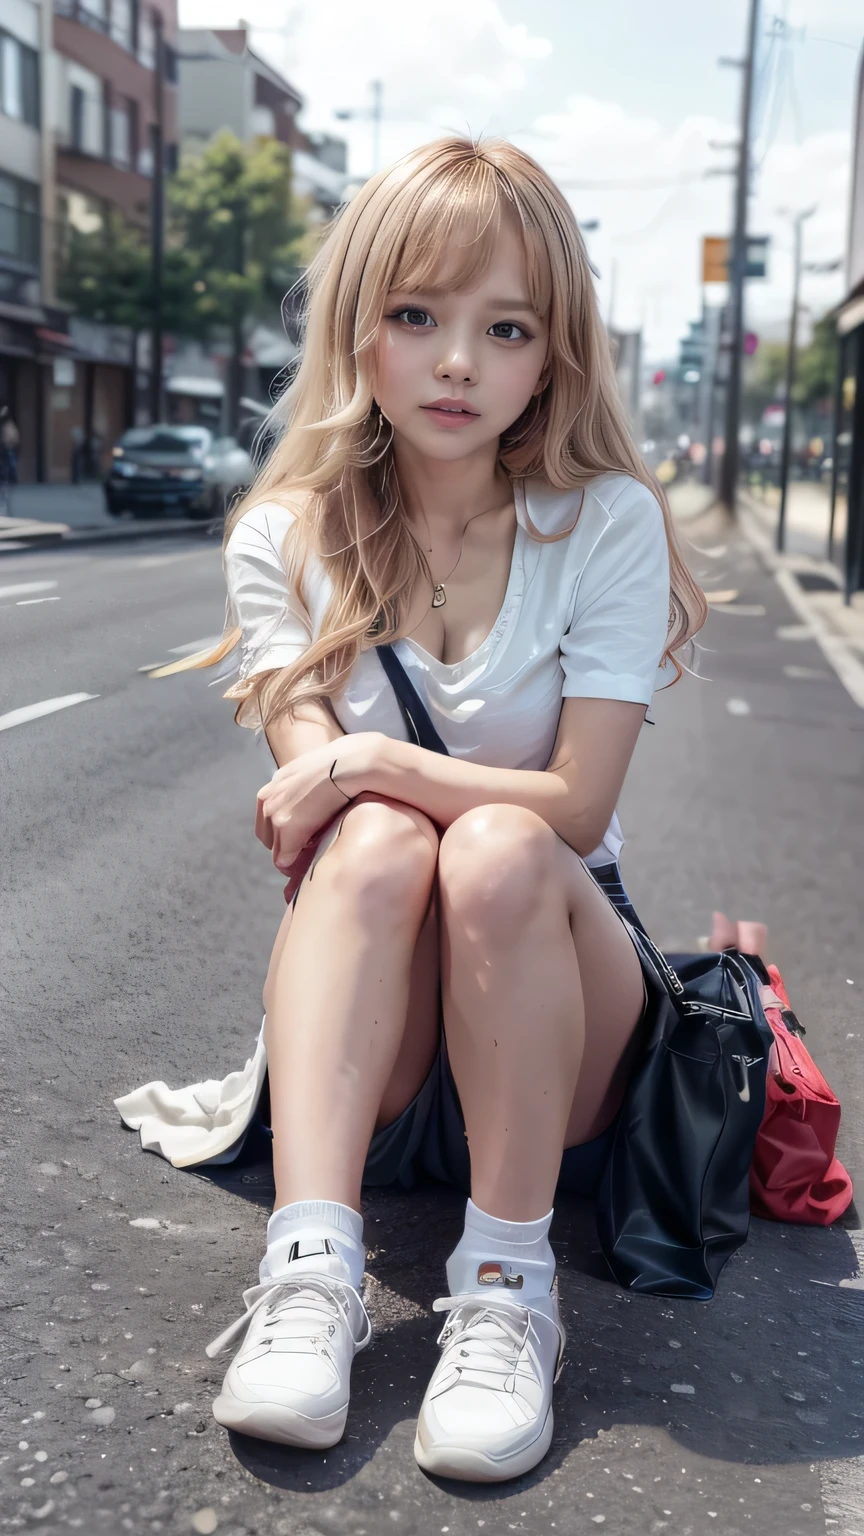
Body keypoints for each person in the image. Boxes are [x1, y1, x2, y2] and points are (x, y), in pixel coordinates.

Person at [116, 136, 706, 1483]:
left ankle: (509, 1291)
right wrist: (367, 784)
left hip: (562, 1017)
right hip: (380, 1039)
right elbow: (305, 808)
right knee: (375, 836)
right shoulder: (284, 538)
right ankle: (311, 1271)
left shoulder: (602, 522)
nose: (457, 364)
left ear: (549, 357)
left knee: (499, 843)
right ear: (358, 331)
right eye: (418, 316)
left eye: (504, 329)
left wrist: (378, 766)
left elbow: (576, 803)